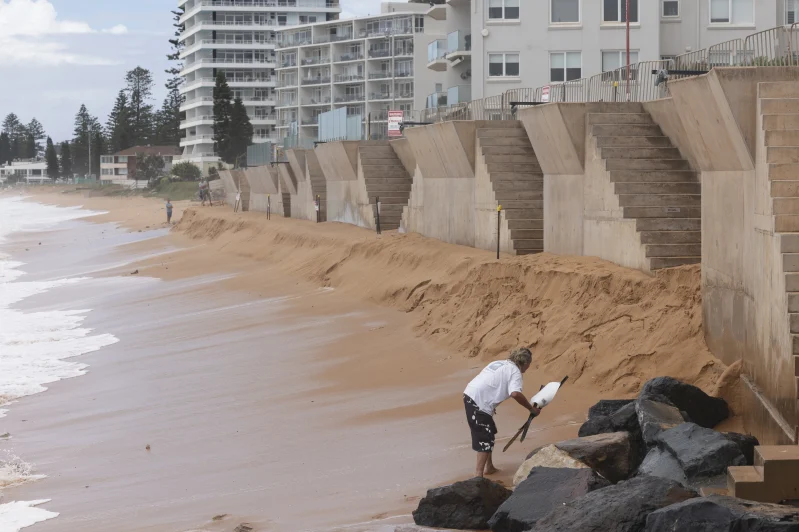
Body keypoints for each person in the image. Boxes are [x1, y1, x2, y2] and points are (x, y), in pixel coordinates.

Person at [463, 347, 540, 478]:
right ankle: (478, 476)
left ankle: (489, 467)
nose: (528, 367)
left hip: (470, 394)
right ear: (524, 362)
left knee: (489, 431)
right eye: (529, 363)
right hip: (480, 403)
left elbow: (488, 380)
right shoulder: (515, 372)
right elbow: (515, 394)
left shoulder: (498, 363)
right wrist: (531, 409)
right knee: (485, 439)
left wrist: (491, 402)